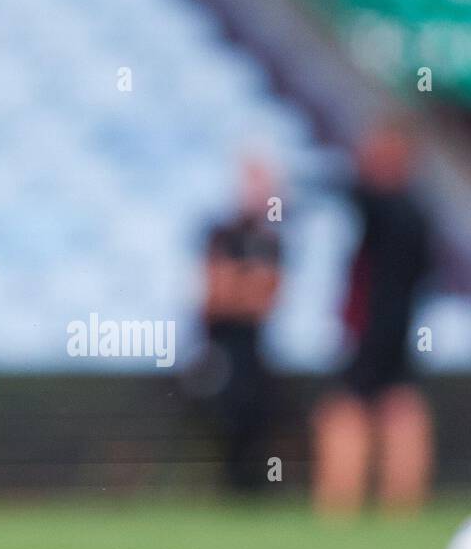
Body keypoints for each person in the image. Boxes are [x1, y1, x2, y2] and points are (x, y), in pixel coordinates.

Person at [311, 115, 435, 516]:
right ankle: (401, 506)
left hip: (372, 330)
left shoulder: (385, 207)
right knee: (400, 407)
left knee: (346, 410)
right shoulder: (417, 214)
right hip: (402, 327)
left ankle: (340, 504)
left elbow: (342, 188)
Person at [184, 155, 284, 494]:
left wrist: (240, 285)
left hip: (252, 347)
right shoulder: (223, 233)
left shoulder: (271, 239)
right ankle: (229, 488)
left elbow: (266, 300)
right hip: (220, 345)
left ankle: (250, 489)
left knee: (255, 417)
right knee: (225, 415)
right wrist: (247, 284)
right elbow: (218, 298)